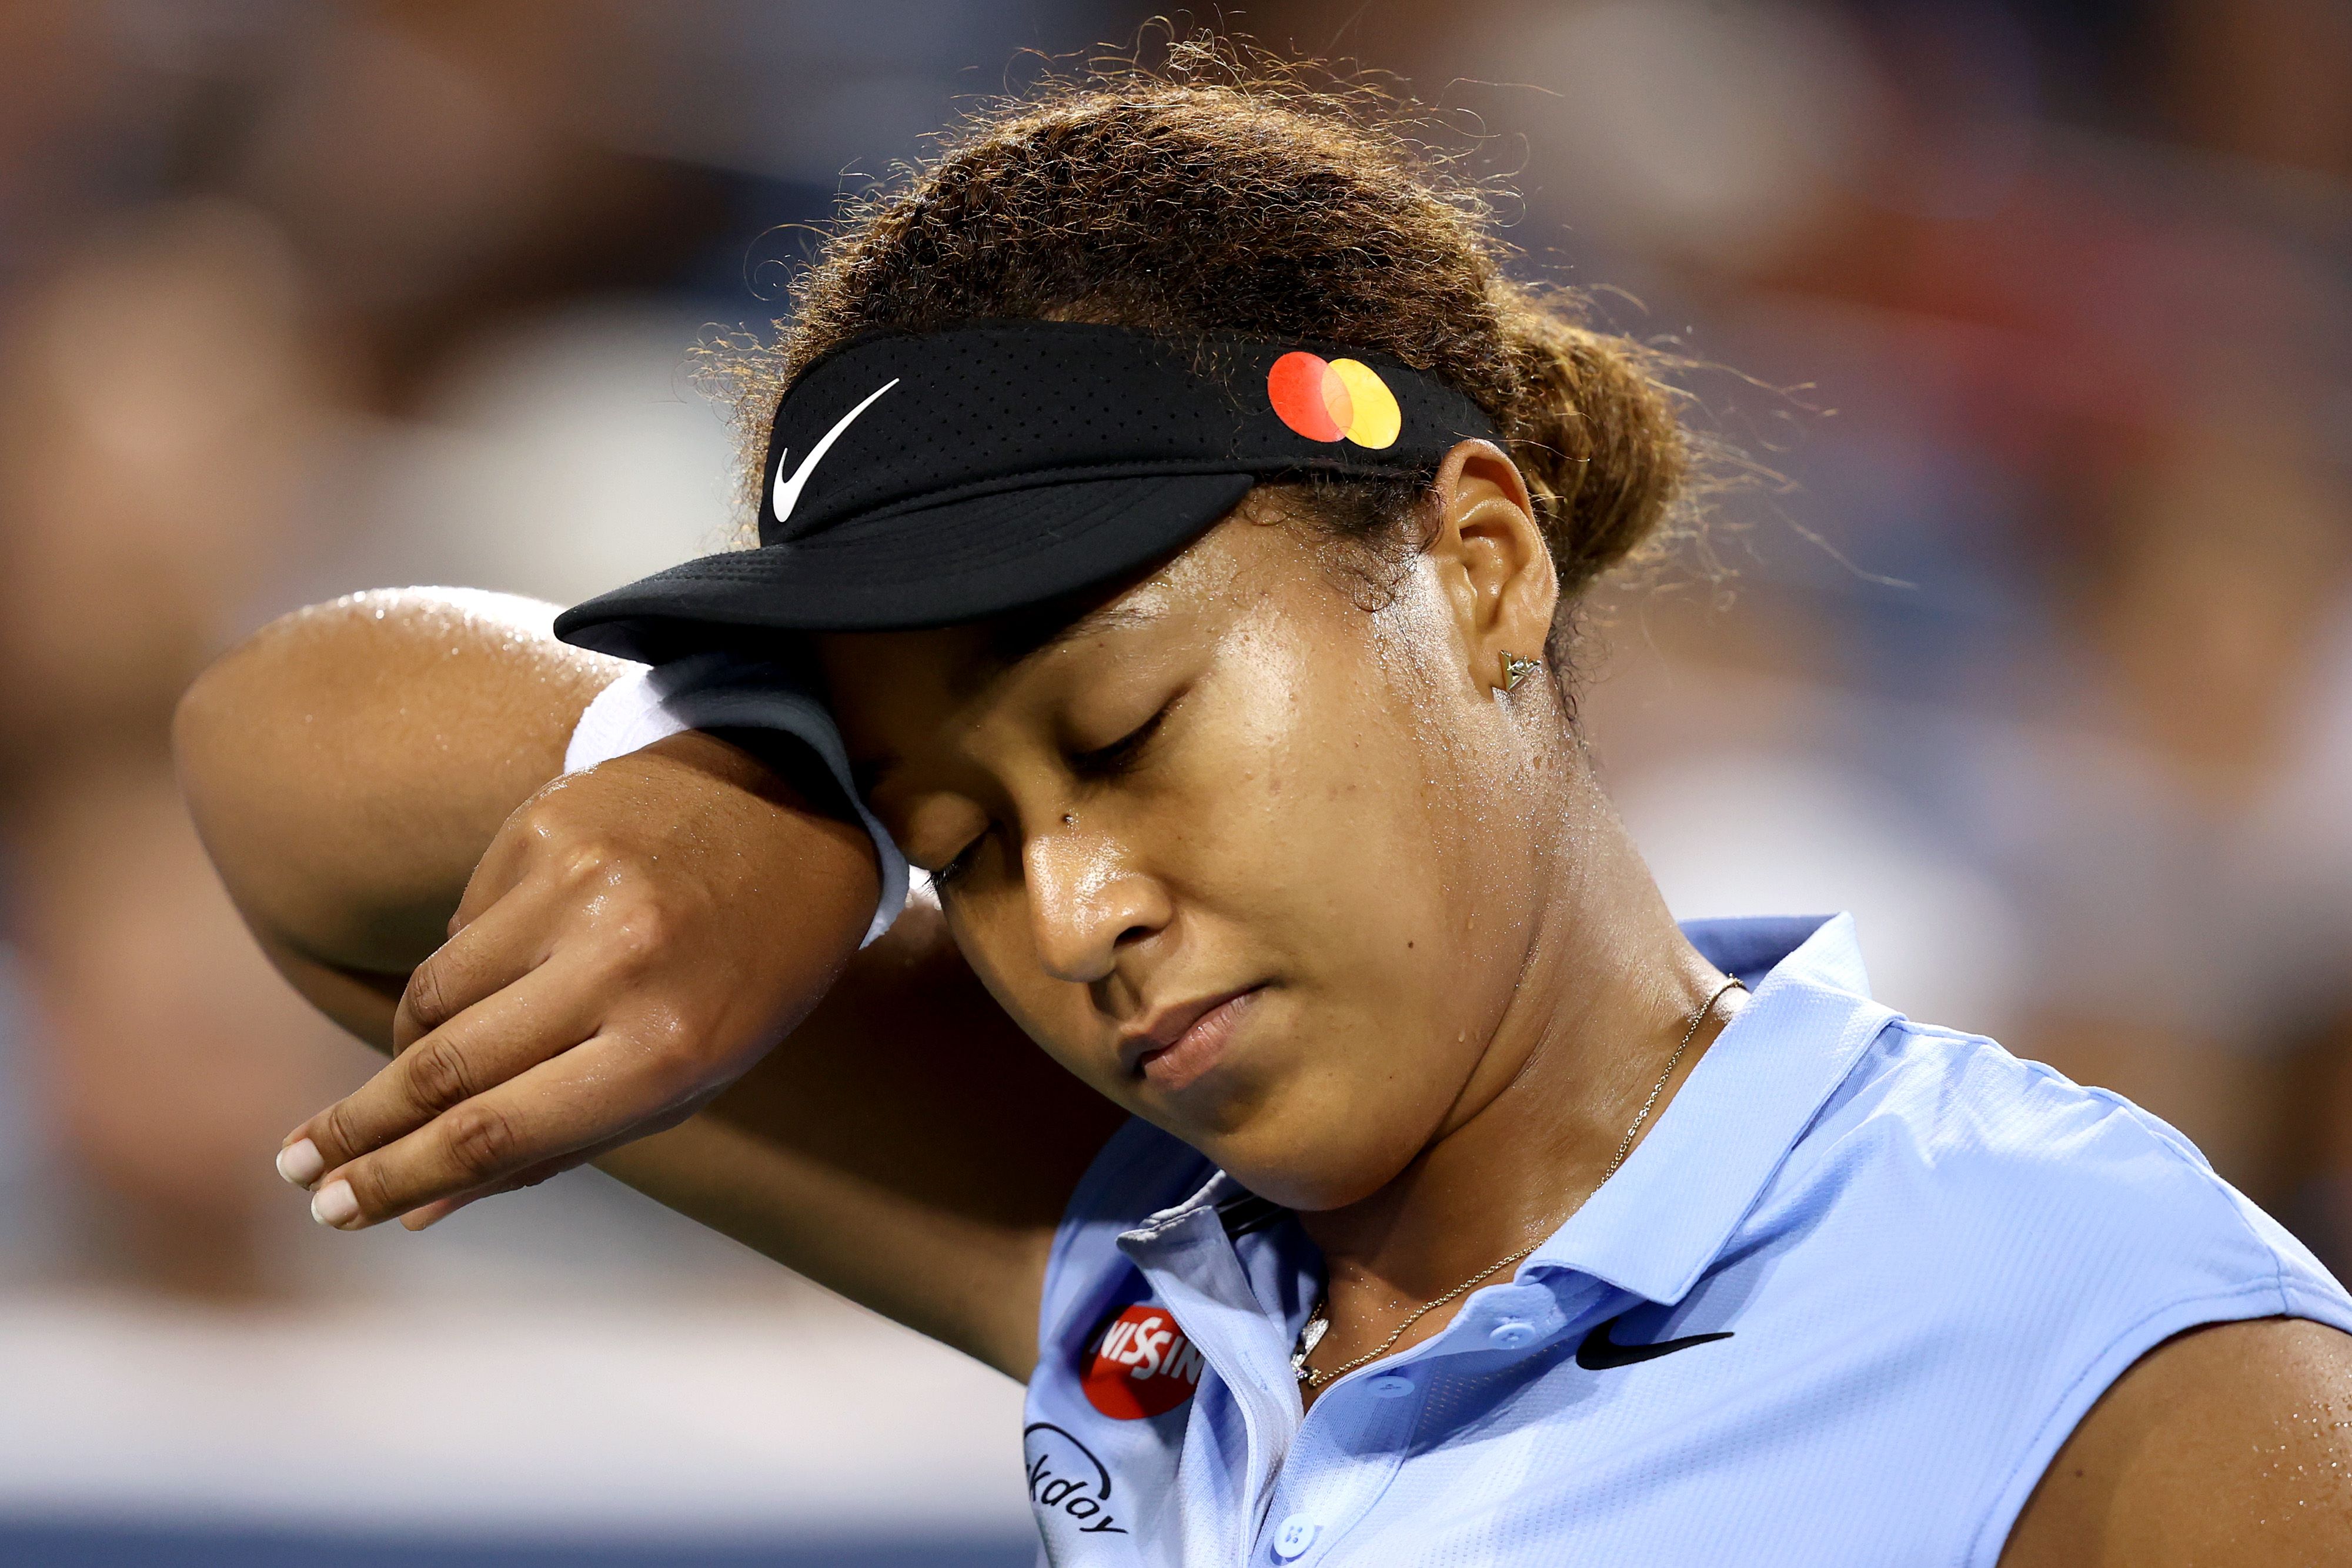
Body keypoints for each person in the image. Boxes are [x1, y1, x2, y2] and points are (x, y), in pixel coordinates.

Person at [175, 62, 2352, 1566]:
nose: (1073, 908)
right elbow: (280, 775)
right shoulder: (1151, 1239)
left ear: (1482, 566)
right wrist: (733, 792)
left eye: (1123, 736)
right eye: (965, 830)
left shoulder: (2106, 1337)